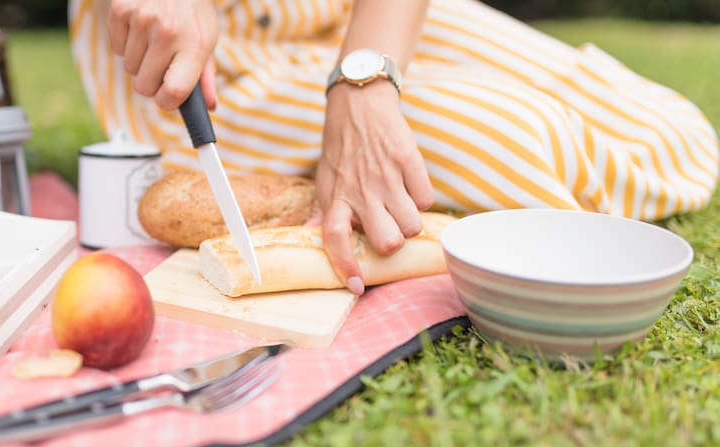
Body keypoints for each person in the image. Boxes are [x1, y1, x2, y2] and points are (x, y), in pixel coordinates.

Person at [69, 0, 719, 295]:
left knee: (667, 132)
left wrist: (367, 80)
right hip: (199, 55)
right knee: (529, 138)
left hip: (350, 12)